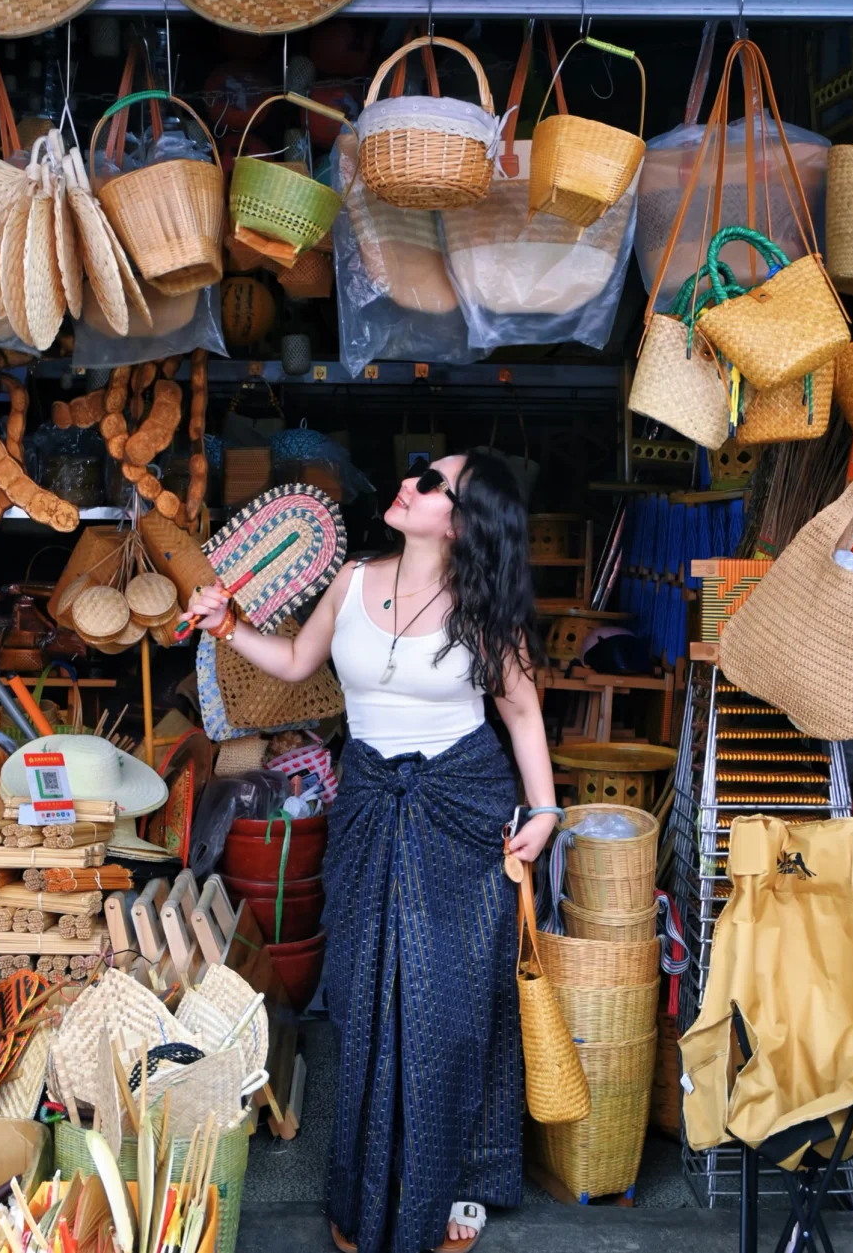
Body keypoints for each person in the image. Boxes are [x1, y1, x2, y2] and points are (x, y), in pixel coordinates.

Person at [186, 452, 560, 1253]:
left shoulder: (483, 607)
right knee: (361, 994)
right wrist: (229, 627)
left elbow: (523, 717)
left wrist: (546, 811)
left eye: (433, 483)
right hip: (366, 805)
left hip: (460, 807)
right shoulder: (353, 580)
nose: (412, 482)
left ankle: (459, 1178)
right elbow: (295, 663)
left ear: (459, 521)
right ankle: (369, 1175)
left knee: (449, 1008)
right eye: (419, 471)